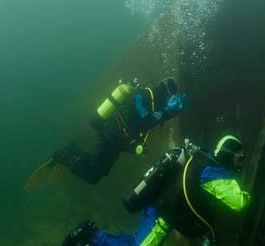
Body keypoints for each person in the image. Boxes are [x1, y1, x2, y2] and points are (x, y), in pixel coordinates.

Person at [39, 136, 250, 246]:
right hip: (162, 216)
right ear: (230, 156)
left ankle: (92, 235)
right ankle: (89, 235)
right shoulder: (214, 172)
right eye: (240, 158)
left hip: (158, 206)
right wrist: (249, 194)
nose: (241, 163)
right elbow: (238, 203)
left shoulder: (200, 160)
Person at [26, 77, 187, 187]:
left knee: (97, 170)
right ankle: (62, 155)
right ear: (166, 93)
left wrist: (171, 112)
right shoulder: (143, 96)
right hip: (109, 136)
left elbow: (140, 127)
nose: (169, 101)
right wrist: (168, 111)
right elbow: (146, 120)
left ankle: (72, 149)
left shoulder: (153, 104)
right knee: (93, 175)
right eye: (170, 96)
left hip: (116, 140)